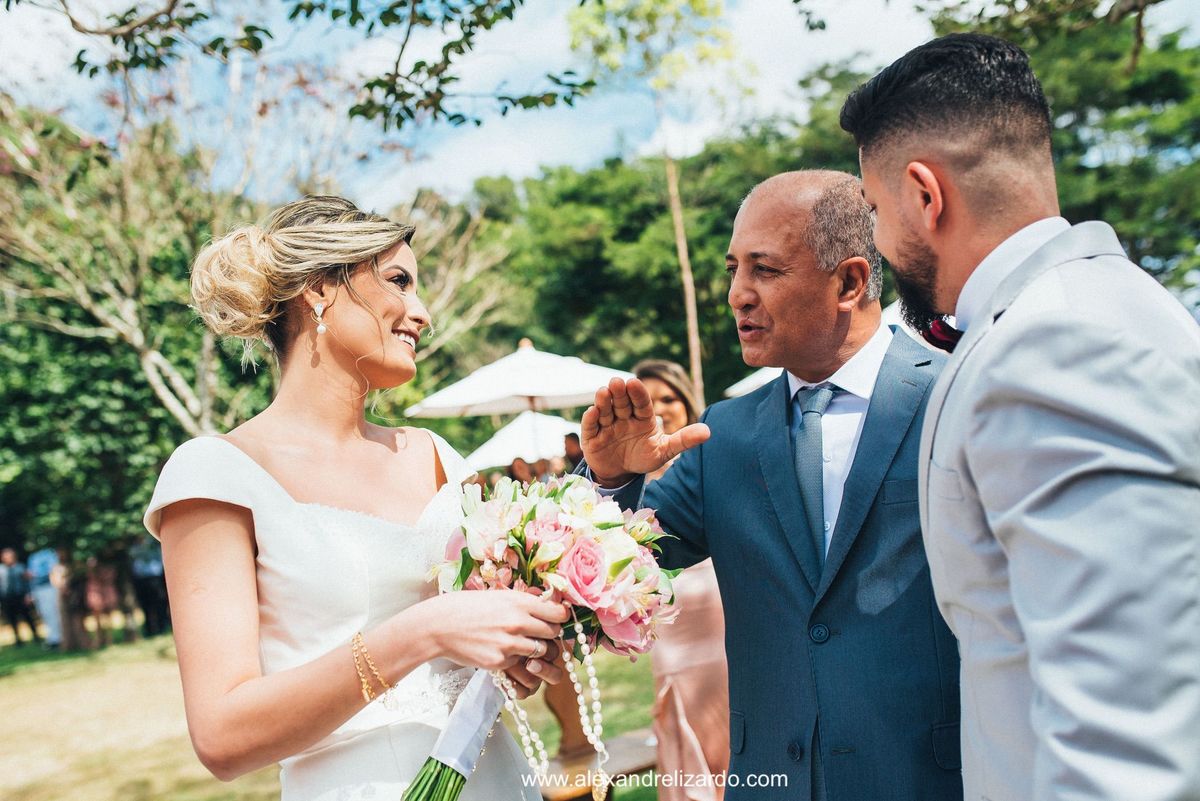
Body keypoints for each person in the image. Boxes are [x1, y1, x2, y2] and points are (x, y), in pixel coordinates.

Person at [840, 33, 1200, 801]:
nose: (875, 240)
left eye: (874, 209)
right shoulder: (1112, 307)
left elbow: (1125, 743)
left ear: (924, 193)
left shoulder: (1052, 347)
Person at [144, 195, 568, 799]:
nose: (421, 313)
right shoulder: (217, 473)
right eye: (399, 281)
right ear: (319, 289)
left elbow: (481, 647)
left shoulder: (437, 456)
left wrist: (514, 655)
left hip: (500, 777)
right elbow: (221, 736)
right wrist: (422, 633)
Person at [582, 171, 961, 801]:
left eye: (765, 269)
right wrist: (611, 477)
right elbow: (625, 571)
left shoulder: (953, 397)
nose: (737, 295)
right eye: (733, 269)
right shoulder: (720, 436)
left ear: (850, 281)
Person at [635, 358, 730, 801]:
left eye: (668, 398)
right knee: (678, 716)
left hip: (717, 615)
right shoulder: (631, 481)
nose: (660, 409)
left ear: (686, 400)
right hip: (669, 624)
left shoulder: (711, 462)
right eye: (649, 402)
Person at [130, 534, 171, 637]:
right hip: (141, 579)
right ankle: (150, 630)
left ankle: (162, 627)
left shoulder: (153, 543)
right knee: (146, 605)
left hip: (154, 578)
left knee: (159, 603)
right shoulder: (134, 546)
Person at [0, 548, 41, 647]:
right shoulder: (1, 569)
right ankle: (18, 639)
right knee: (12, 618)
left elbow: (27, 583)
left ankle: (35, 635)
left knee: (27, 616)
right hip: (7, 597)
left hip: (20, 596)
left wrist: (29, 594)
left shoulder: (20, 567)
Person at [26, 546, 62, 650]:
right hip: (38, 590)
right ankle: (52, 638)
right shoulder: (32, 557)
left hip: (49, 588)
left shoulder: (50, 553)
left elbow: (53, 570)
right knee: (44, 614)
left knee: (53, 613)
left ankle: (58, 638)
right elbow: (31, 576)